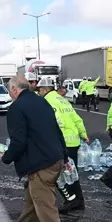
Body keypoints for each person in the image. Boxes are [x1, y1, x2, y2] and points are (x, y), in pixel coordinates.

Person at [1, 75, 82, 222]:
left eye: (9, 91)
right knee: (33, 199)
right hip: (54, 159)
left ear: (14, 89)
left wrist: (6, 157)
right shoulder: (41, 101)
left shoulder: (16, 109)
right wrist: (64, 155)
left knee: (46, 211)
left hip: (40, 165)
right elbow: (57, 130)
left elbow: (18, 141)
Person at [37, 77, 89, 213]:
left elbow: (56, 122)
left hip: (61, 142)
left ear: (44, 89)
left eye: (39, 90)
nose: (39, 93)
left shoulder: (47, 101)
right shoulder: (63, 100)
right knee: (72, 172)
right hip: (74, 141)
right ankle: (79, 200)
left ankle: (70, 199)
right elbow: (77, 118)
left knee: (58, 173)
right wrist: (84, 134)